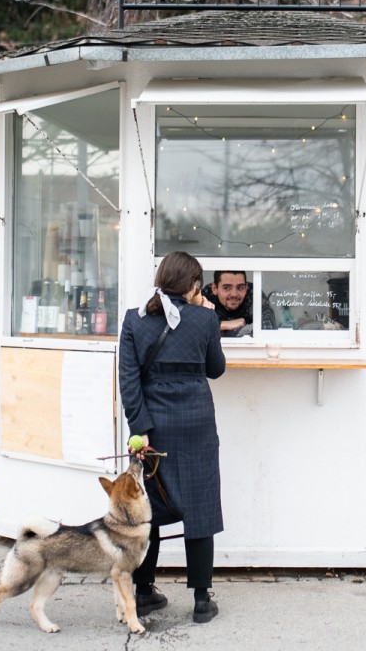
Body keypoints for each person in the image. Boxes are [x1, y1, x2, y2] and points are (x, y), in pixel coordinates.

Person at [117, 251, 226, 624]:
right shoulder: (206, 318)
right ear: (194, 285)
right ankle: (200, 600)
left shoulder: (134, 320)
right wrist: (206, 312)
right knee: (200, 505)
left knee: (151, 511)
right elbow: (216, 370)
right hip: (196, 422)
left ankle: (144, 592)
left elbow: (128, 381)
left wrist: (140, 428)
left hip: (154, 428)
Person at [201, 270, 253, 337]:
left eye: (240, 288)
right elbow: (192, 328)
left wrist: (214, 329)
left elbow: (267, 327)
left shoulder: (253, 293)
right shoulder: (206, 295)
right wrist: (225, 325)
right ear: (214, 289)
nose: (234, 294)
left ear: (246, 288)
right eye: (227, 288)